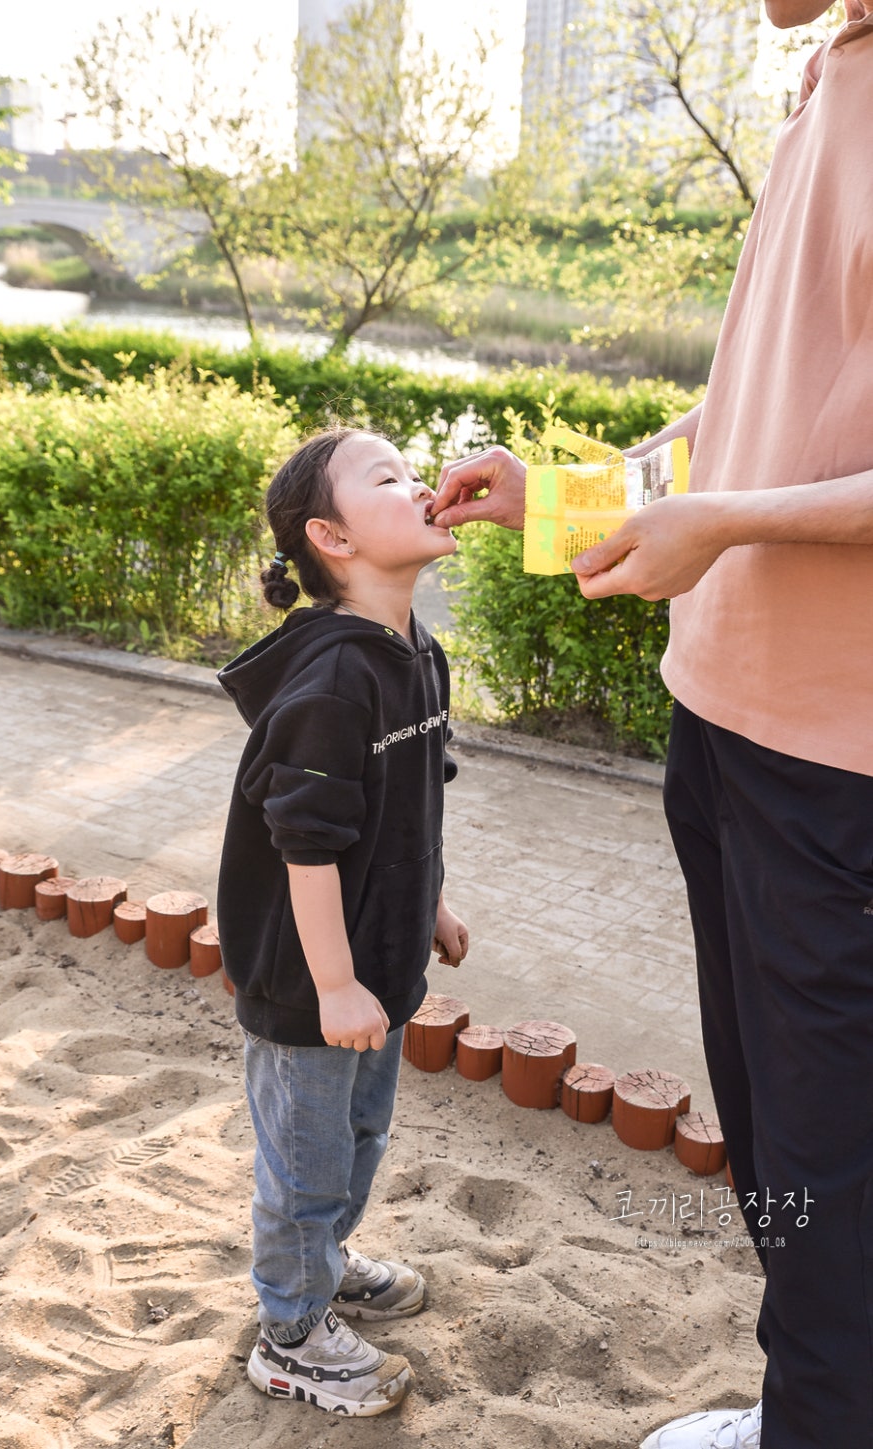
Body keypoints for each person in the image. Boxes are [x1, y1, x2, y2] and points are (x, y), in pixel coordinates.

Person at [431, 3, 873, 1446]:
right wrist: (564, 496)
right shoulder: (829, 75)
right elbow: (753, 411)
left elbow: (744, 486)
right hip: (735, 726)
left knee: (829, 1174)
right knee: (782, 1154)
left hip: (837, 762)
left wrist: (723, 521)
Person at [217, 426, 469, 1418]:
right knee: (305, 1160)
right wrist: (333, 983)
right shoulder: (331, 681)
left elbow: (416, 793)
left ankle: (322, 1264)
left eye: (412, 470)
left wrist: (435, 903)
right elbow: (307, 845)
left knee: (360, 1137)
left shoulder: (415, 653)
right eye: (388, 478)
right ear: (332, 535)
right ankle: (290, 1334)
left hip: (380, 963)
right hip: (312, 983)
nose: (417, 484)